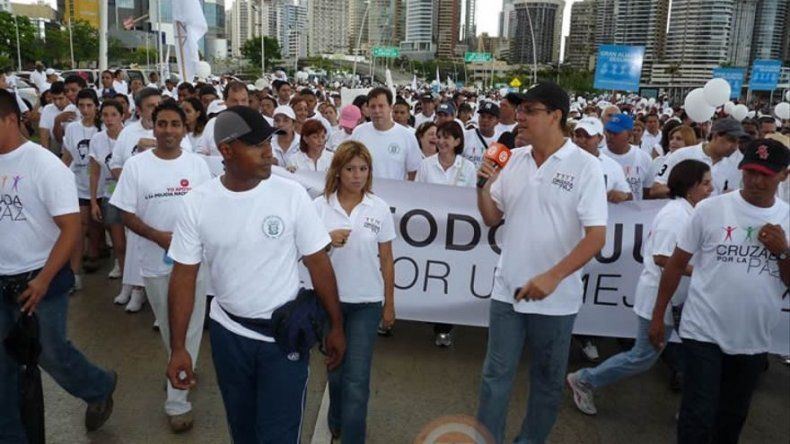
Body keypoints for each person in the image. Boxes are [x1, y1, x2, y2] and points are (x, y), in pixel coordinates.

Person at [165, 106, 346, 443]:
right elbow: (183, 277)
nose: (268, 152)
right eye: (256, 145)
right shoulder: (198, 202)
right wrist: (179, 348)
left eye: (268, 142)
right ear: (226, 150)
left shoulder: (290, 194)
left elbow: (319, 264)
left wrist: (335, 326)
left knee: (278, 435)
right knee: (243, 430)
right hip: (228, 335)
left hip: (283, 339)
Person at [475, 82, 607, 444]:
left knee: (547, 383)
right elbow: (490, 219)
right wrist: (482, 186)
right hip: (507, 291)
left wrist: (553, 276)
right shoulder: (512, 159)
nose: (519, 117)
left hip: (556, 300)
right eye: (518, 110)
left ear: (555, 116)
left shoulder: (586, 167)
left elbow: (596, 237)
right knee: (494, 377)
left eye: (529, 110)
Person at [648, 139, 790, 443]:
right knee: (697, 415)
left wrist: (782, 252)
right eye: (750, 172)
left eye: (765, 174)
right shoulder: (711, 209)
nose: (755, 181)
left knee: (731, 417)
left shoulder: (788, 219)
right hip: (703, 331)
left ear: (784, 175)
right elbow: (675, 264)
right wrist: (657, 315)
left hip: (751, 338)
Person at [0, 89, 116, 442]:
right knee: (3, 363)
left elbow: (70, 231)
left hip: (40, 278)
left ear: (8, 119)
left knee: (50, 352)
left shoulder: (44, 165)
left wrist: (43, 280)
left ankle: (98, 386)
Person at [567, 159, 714, 415]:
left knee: (697, 355)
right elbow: (663, 258)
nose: (711, 189)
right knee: (642, 357)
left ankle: (693, 408)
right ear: (690, 187)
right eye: (706, 183)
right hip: (661, 298)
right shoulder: (676, 216)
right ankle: (585, 379)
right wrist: (708, 272)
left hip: (679, 299)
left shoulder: (689, 212)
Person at [110, 101, 212, 432]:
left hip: (194, 262)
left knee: (192, 324)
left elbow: (210, 209)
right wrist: (157, 236)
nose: (168, 131)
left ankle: (177, 400)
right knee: (170, 327)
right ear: (153, 127)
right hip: (154, 261)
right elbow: (125, 213)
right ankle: (179, 365)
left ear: (185, 129)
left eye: (175, 124)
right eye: (162, 124)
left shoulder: (197, 165)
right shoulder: (137, 166)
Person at [313, 140, 396, 442]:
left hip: (366, 303)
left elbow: (387, 259)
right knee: (336, 372)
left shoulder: (380, 208)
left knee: (357, 379)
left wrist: (389, 304)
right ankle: (336, 417)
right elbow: (304, 252)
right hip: (328, 303)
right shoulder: (319, 207)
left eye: (363, 169)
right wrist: (326, 238)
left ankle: (352, 436)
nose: (357, 175)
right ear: (337, 171)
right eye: (350, 168)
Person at [61, 89, 103, 289]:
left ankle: (94, 252)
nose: (85, 110)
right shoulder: (72, 129)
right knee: (81, 224)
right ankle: (75, 271)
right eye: (82, 105)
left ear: (96, 106)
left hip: (102, 185)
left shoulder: (102, 129)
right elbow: (67, 154)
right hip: (78, 183)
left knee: (96, 223)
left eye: (89, 105)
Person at [652, 117, 745, 198]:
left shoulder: (737, 165)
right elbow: (656, 189)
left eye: (738, 142)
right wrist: (686, 192)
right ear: (716, 136)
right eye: (731, 140)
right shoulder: (682, 155)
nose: (735, 147)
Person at [89, 100, 126, 282]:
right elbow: (94, 172)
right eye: (105, 115)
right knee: (117, 241)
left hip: (132, 196)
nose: (109, 119)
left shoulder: (130, 136)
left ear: (122, 116)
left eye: (114, 115)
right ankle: (121, 266)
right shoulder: (97, 139)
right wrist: (94, 201)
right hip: (110, 193)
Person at [350, 87, 422, 181]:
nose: (377, 111)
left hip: (394, 194)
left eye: (381, 106)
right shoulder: (358, 132)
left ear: (390, 107)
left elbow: (413, 172)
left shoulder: (407, 136)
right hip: (365, 193)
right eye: (372, 106)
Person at [573, 116, 632, 203]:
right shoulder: (561, 161)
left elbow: (629, 196)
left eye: (588, 136)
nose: (582, 140)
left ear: (600, 138)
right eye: (578, 136)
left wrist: (622, 195)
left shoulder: (613, 166)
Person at [602, 113, 654, 200]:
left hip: (634, 212)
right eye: (608, 131)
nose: (610, 136)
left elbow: (647, 192)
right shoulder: (597, 157)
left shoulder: (644, 158)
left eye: (615, 133)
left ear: (629, 135)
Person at [196, 81, 249, 157]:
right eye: (234, 101)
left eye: (243, 100)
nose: (239, 105)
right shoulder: (213, 124)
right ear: (225, 101)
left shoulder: (259, 123)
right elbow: (200, 153)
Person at [38, 81, 78, 154]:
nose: (57, 102)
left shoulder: (74, 108)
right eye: (54, 99)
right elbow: (44, 136)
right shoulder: (47, 109)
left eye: (60, 98)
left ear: (67, 96)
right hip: (56, 144)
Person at [463, 102, 500, 168]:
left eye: (490, 118)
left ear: (497, 121)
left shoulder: (500, 140)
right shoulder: (465, 136)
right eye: (482, 116)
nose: (485, 120)